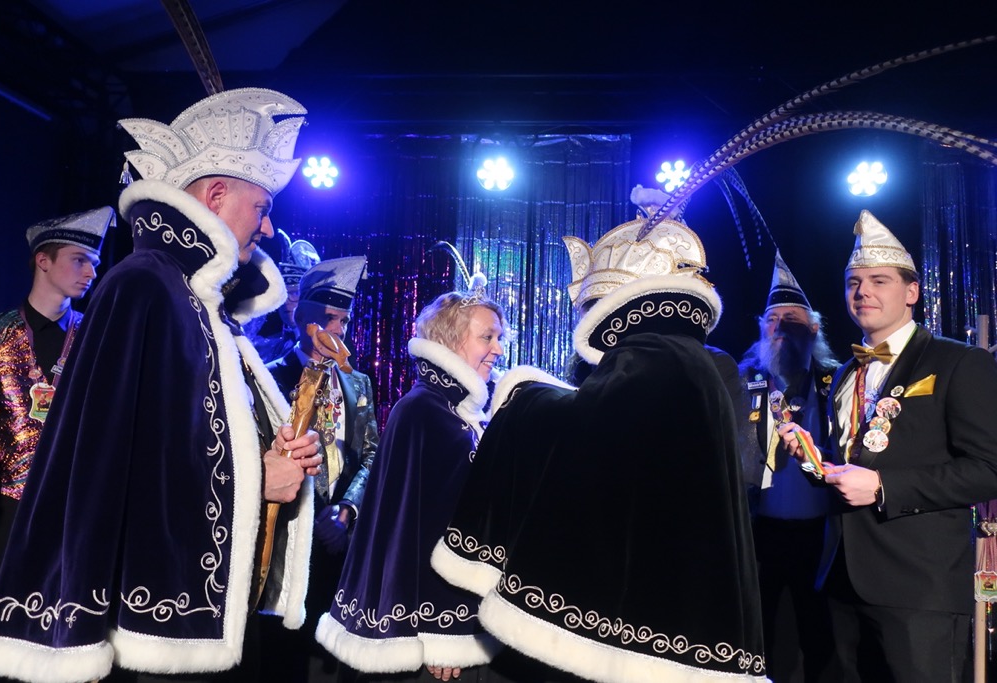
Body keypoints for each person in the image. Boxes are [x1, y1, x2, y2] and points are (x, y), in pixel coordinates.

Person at [0, 87, 323, 683]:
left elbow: (195, 434)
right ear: (216, 195)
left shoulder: (206, 306)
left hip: (198, 607)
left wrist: (278, 451)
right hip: (144, 626)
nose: (268, 227)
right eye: (261, 207)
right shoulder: (143, 285)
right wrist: (257, 478)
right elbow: (110, 458)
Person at [432, 187, 766, 682]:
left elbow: (591, 432)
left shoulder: (652, 355)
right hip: (679, 596)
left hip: (647, 602)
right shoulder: (685, 357)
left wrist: (523, 394)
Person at [778, 209, 997, 682]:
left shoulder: (959, 362)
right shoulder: (845, 373)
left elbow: (989, 469)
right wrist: (815, 461)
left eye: (880, 281)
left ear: (912, 292)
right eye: (854, 283)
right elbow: (853, 467)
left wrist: (883, 486)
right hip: (840, 578)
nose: (863, 292)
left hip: (919, 585)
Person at [315, 279, 507, 682]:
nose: (498, 349)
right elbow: (424, 530)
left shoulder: (456, 413)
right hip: (433, 634)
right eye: (487, 337)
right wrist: (443, 630)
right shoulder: (425, 412)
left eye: (499, 338)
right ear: (451, 340)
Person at [0, 207, 111, 640]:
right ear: (43, 260)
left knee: (56, 633)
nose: (91, 272)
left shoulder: (97, 340)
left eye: (95, 262)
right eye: (79, 259)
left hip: (71, 510)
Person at [262, 255, 379, 682]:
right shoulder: (271, 378)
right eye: (330, 318)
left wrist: (346, 511)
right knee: (282, 659)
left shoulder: (358, 383)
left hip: (340, 543)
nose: (338, 330)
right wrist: (312, 516)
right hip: (286, 538)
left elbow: (371, 455)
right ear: (302, 317)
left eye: (344, 321)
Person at [736, 251, 839, 682]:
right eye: (772, 320)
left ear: (814, 328)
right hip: (759, 529)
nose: (779, 328)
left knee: (821, 634)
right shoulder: (742, 381)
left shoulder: (837, 380)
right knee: (756, 631)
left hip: (822, 533)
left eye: (792, 320)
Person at [247, 229, 321, 363]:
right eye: (283, 294)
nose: (287, 301)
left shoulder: (329, 344)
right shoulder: (271, 346)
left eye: (294, 293)